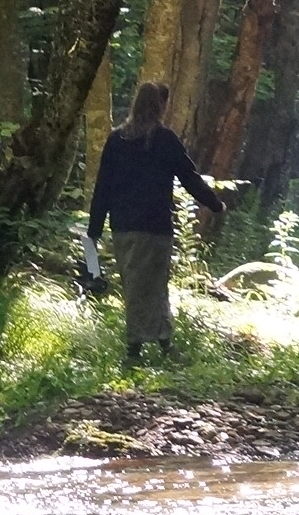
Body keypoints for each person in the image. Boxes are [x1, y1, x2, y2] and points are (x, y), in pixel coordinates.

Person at [87, 81, 227, 363]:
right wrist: (215, 204)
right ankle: (139, 349)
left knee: (136, 286)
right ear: (160, 106)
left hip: (123, 226)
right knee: (153, 285)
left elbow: (103, 187)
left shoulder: (117, 141)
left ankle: (156, 345)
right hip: (154, 226)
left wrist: (95, 230)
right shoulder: (164, 140)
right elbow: (190, 177)